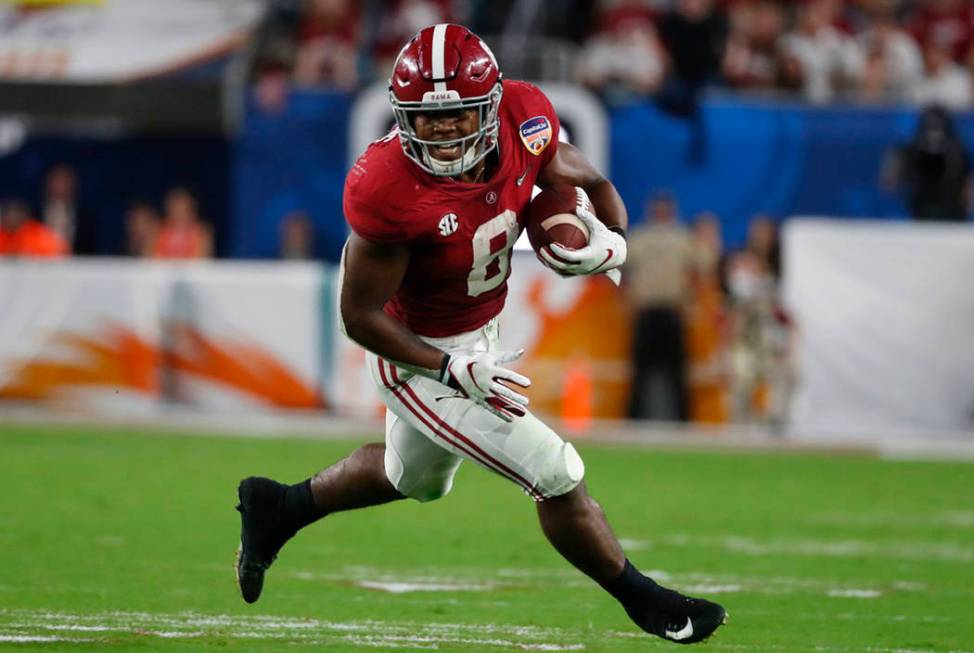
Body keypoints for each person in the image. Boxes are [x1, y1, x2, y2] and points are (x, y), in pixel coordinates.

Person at [234, 24, 726, 645]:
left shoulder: (527, 119)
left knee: (414, 479)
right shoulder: (385, 185)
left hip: (479, 331)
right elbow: (359, 316)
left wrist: (613, 239)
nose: (440, 132)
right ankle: (649, 602)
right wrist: (447, 369)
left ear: (492, 107)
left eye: (457, 116)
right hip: (413, 356)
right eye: (425, 119)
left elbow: (592, 183)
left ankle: (280, 507)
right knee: (555, 469)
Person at [623, 191, 693, 422]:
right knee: (640, 370)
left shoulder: (684, 238)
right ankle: (633, 420)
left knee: (678, 372)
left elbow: (702, 267)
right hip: (646, 310)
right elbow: (620, 267)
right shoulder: (639, 237)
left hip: (673, 309)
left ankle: (684, 421)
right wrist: (627, 299)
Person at [152, 187, 213, 259]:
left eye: (181, 204)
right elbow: (148, 260)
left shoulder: (202, 231)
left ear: (190, 206)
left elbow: (203, 259)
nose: (177, 208)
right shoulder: (156, 230)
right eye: (174, 203)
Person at [0, 199, 68, 258]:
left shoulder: (37, 233)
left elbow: (61, 251)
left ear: (24, 216)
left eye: (16, 214)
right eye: (9, 215)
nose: (12, 218)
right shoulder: (2, 235)